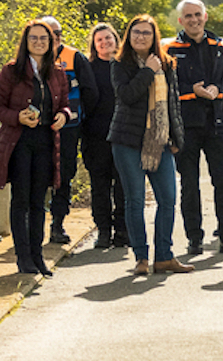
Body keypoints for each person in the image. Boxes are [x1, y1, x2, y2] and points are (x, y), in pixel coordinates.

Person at [108, 14, 193, 277]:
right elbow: (127, 96)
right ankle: (141, 257)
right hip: (127, 141)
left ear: (154, 36)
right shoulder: (119, 63)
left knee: (167, 199)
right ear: (128, 36)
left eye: (146, 33)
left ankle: (164, 256)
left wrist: (177, 139)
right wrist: (147, 71)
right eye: (136, 32)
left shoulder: (167, 64)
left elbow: (173, 104)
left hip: (160, 142)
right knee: (134, 200)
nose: (140, 37)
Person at [0, 21, 71, 277]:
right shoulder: (11, 71)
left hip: (47, 142)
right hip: (20, 142)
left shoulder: (57, 72)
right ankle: (23, 256)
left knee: (39, 201)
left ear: (51, 42)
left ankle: (38, 256)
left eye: (44, 38)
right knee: (21, 200)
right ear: (25, 42)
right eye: (33, 38)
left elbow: (66, 104)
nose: (39, 42)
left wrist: (63, 116)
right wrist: (17, 117)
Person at [166, 0, 223, 256]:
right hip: (186, 127)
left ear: (206, 17)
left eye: (198, 15)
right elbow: (166, 88)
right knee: (189, 185)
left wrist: (218, 89)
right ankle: (194, 238)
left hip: (218, 126)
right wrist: (192, 91)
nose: (194, 20)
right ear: (180, 20)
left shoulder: (221, 47)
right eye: (189, 16)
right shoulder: (171, 50)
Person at [39, 16, 97, 245]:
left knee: (64, 176)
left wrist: (80, 118)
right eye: (47, 33)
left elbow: (90, 91)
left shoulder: (74, 57)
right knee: (37, 175)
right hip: (38, 129)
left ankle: (57, 224)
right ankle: (33, 225)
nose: (53, 38)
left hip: (69, 128)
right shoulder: (30, 58)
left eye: (57, 33)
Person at [82, 22, 127, 249]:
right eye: (99, 40)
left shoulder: (126, 66)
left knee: (123, 186)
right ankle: (103, 231)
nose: (104, 42)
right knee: (99, 186)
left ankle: (122, 230)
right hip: (95, 136)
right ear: (94, 44)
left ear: (116, 40)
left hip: (123, 135)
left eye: (108, 38)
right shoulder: (87, 68)